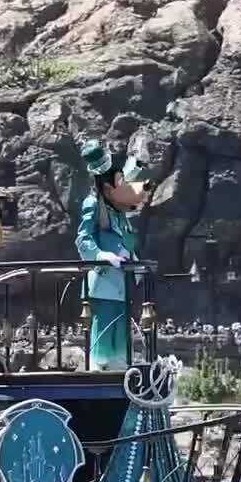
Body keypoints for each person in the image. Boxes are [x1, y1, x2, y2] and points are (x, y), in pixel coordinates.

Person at [74, 139, 153, 370]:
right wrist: (102, 256)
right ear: (107, 187)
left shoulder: (117, 210)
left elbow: (125, 180)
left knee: (120, 322)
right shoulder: (93, 204)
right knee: (105, 321)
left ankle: (119, 363)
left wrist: (136, 162)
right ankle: (99, 364)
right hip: (104, 277)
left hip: (122, 277)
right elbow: (83, 239)